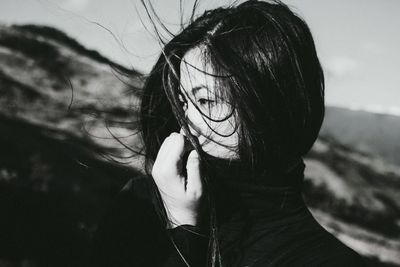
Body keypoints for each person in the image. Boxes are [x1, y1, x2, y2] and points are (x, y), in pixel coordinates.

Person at [93, 0, 364, 266]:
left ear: (270, 109)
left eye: (206, 101)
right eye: (183, 102)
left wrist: (183, 230)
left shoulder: (325, 260)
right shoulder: (141, 206)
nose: (185, 122)